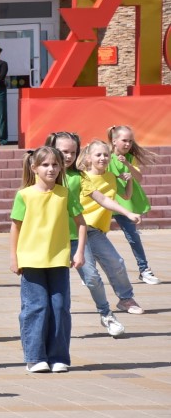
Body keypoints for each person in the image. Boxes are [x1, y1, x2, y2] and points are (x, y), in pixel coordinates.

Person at [10, 147, 86, 373]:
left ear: (61, 167)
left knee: (60, 307)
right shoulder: (24, 195)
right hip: (31, 260)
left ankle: (58, 357)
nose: (50, 169)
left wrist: (79, 252)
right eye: (45, 165)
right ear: (34, 168)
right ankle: (35, 357)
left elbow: (81, 223)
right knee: (37, 307)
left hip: (59, 259)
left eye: (55, 164)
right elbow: (16, 227)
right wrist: (14, 257)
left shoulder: (65, 194)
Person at [76, 139, 145, 335]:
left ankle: (126, 299)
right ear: (88, 158)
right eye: (98, 154)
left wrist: (129, 180)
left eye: (106, 155)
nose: (103, 158)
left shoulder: (111, 177)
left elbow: (126, 196)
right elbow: (101, 199)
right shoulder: (81, 178)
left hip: (96, 231)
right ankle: (104, 312)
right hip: (79, 229)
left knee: (116, 263)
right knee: (91, 276)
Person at [106, 125, 160, 284]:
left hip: (125, 202)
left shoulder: (129, 158)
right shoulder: (106, 156)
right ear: (114, 141)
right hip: (107, 201)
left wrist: (128, 167)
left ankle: (144, 269)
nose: (128, 144)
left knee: (133, 236)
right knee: (95, 235)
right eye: (124, 140)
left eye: (130, 141)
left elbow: (139, 177)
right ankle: (89, 270)